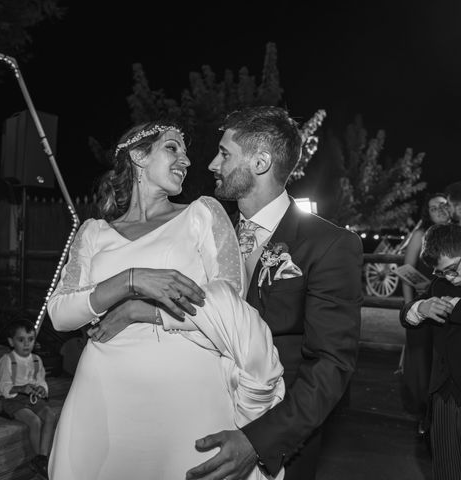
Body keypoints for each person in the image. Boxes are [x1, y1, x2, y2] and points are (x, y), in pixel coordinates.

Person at [46, 121, 285, 480]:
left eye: (186, 152)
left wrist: (140, 311)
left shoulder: (201, 214)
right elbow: (60, 315)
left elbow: (230, 307)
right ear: (139, 156)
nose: (186, 161)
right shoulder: (93, 232)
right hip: (102, 392)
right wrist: (131, 280)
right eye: (173, 148)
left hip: (186, 394)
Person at [186, 106, 363, 480]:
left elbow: (331, 365)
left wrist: (259, 441)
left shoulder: (329, 244)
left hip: (278, 438)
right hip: (200, 417)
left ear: (261, 162)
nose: (212, 164)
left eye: (224, 153)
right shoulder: (205, 236)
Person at [400, 223, 461, 480]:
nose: (450, 277)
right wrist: (422, 308)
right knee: (447, 470)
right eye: (442, 272)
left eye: (453, 269)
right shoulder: (440, 286)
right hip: (446, 393)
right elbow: (407, 315)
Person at [399, 192, 450, 436]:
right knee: (421, 362)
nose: (439, 210)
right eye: (433, 207)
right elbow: (406, 269)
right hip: (422, 306)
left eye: (442, 205)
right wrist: (410, 309)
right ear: (426, 213)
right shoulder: (421, 234)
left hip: (447, 309)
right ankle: (423, 414)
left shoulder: (454, 234)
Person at [0, 319, 58, 479]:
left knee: (50, 415)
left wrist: (42, 388)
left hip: (32, 398)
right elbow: (3, 387)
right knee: (34, 421)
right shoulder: (7, 360)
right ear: (11, 341)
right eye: (21, 340)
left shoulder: (36, 360)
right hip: (13, 399)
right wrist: (22, 388)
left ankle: (41, 457)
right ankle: (39, 460)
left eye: (30, 339)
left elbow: (40, 379)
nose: (26, 344)